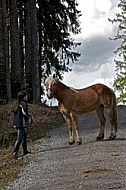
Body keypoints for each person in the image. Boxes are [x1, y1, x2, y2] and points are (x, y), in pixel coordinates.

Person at [12, 91, 31, 159]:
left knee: (24, 136)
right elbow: (25, 112)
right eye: (26, 96)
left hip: (17, 123)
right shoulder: (23, 103)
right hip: (21, 123)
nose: (27, 97)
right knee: (19, 138)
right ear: (24, 97)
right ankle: (14, 153)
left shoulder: (17, 103)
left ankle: (25, 151)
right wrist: (29, 117)